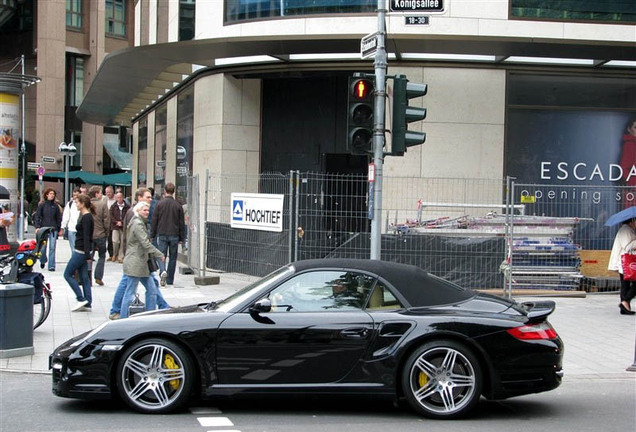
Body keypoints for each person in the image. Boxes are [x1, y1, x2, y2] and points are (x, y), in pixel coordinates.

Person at [109, 188, 170, 320]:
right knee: (130, 290)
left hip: (140, 261)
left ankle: (153, 312)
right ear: (139, 198)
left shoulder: (139, 218)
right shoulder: (135, 219)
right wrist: (159, 254)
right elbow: (142, 242)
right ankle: (122, 315)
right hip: (136, 261)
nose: (150, 200)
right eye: (148, 197)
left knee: (149, 288)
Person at [119, 201, 164, 319]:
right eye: (144, 210)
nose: (147, 212)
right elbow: (145, 243)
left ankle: (149, 316)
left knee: (152, 290)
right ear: (138, 211)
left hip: (142, 264)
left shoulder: (138, 222)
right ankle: (123, 319)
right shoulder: (138, 224)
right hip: (136, 263)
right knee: (130, 293)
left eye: (148, 210)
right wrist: (159, 254)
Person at [64, 194, 94, 312]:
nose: (76, 204)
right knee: (84, 277)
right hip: (83, 250)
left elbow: (87, 236)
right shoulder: (85, 216)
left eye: (77, 202)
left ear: (82, 203)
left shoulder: (86, 217)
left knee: (67, 274)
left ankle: (81, 298)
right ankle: (88, 302)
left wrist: (87, 255)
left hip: (81, 251)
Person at [151, 182, 185, 286]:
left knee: (162, 255)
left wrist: (152, 235)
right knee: (173, 257)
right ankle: (170, 279)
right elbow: (181, 223)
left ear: (165, 191)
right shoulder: (178, 206)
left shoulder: (159, 204)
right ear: (174, 192)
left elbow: (154, 220)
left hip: (162, 233)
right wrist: (181, 238)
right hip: (174, 234)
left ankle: (162, 271)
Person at [608, 217, 636, 315]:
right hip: (625, 263)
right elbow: (627, 246)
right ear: (632, 220)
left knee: (625, 285)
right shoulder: (625, 230)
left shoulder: (628, 229)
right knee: (628, 284)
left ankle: (624, 308)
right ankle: (625, 302)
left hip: (625, 263)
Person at [33, 188, 63, 271]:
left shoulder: (56, 206)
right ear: (46, 195)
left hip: (53, 229)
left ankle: (51, 265)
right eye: (50, 194)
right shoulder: (42, 205)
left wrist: (59, 228)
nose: (52, 195)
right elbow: (37, 216)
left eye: (53, 194)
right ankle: (43, 260)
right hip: (44, 229)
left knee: (52, 247)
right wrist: (37, 227)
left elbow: (58, 218)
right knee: (43, 247)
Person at [89, 186, 109, 286]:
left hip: (89, 235)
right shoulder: (102, 204)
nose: (101, 195)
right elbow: (106, 220)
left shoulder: (87, 204)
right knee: (102, 256)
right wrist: (106, 232)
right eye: (100, 193)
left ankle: (88, 277)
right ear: (96, 194)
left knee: (89, 257)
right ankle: (98, 277)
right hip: (100, 234)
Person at [109, 191, 130, 262]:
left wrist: (122, 222)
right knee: (115, 241)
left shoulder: (127, 207)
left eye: (120, 197)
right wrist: (116, 222)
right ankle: (115, 254)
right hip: (115, 226)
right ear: (116, 198)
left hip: (123, 226)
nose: (119, 199)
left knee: (122, 241)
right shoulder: (113, 206)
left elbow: (128, 215)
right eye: (118, 197)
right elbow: (111, 215)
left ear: (123, 197)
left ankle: (120, 256)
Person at [105, 185, 116, 259]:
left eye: (109, 192)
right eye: (107, 192)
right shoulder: (104, 200)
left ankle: (115, 254)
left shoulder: (116, 201)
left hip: (114, 223)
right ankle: (111, 254)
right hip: (107, 222)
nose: (108, 194)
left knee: (114, 240)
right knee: (109, 239)